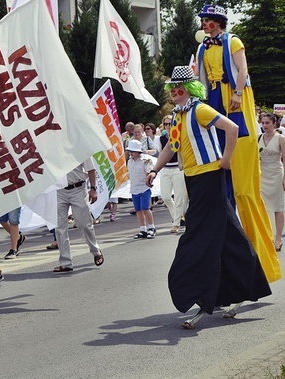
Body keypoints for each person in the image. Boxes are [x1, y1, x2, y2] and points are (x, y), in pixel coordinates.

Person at [147, 66, 271, 329]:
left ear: (189, 88)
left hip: (209, 177)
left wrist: (226, 161)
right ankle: (244, 287)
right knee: (229, 236)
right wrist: (155, 169)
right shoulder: (178, 116)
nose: (173, 92)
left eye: (178, 88)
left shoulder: (200, 110)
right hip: (194, 179)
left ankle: (203, 298)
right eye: (171, 89)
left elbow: (232, 128)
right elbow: (172, 146)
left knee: (200, 236)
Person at [196, 4, 280, 282]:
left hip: (234, 95)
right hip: (213, 96)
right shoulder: (202, 49)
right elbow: (200, 77)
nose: (206, 24)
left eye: (209, 20)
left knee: (245, 187)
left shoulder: (233, 40)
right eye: (204, 21)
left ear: (218, 22)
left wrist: (237, 93)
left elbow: (242, 69)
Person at [52, 160, 104, 272]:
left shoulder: (79, 146)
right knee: (60, 228)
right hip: (59, 191)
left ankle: (96, 251)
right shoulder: (52, 149)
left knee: (84, 224)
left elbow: (91, 169)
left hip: (78, 189)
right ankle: (66, 262)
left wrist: (93, 189)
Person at [258, 113, 285, 251]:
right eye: (263, 123)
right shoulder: (258, 138)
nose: (264, 126)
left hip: (276, 174)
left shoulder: (281, 138)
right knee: (262, 206)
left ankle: (279, 237)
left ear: (274, 124)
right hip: (262, 174)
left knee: (278, 207)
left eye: (267, 123)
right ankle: (265, 235)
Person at [158, 115, 188, 233]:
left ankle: (176, 224)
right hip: (166, 169)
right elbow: (161, 153)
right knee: (165, 196)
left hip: (177, 168)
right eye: (166, 124)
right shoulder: (162, 138)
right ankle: (179, 217)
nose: (168, 126)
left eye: (170, 123)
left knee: (180, 197)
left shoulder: (180, 135)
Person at [126, 139, 156, 239]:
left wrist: (149, 181)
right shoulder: (129, 162)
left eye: (133, 151)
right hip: (134, 188)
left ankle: (151, 227)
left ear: (138, 151)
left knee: (145, 208)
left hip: (144, 188)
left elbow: (149, 173)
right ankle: (142, 229)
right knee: (138, 210)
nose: (131, 153)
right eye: (130, 151)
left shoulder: (146, 160)